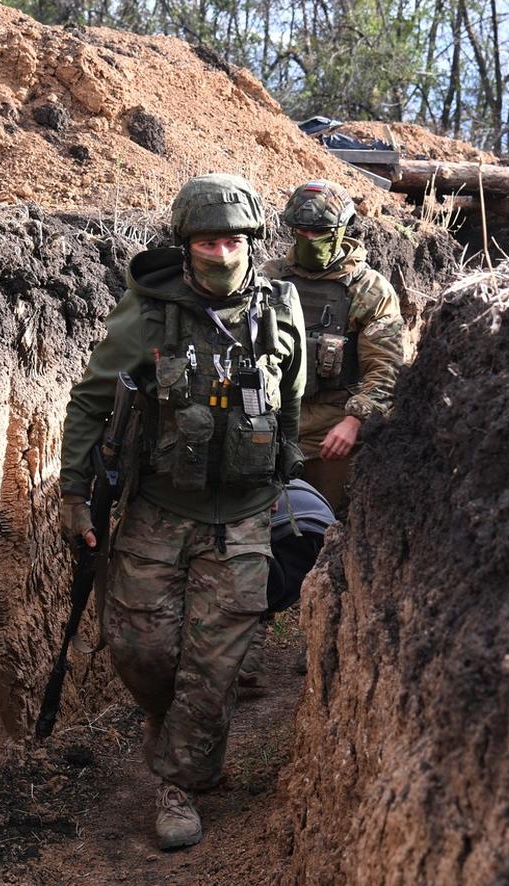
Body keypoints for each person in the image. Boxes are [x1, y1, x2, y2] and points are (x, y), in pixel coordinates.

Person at [58, 173, 305, 850]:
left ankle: (178, 786)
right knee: (142, 650)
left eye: (232, 239)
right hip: (158, 510)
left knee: (214, 663)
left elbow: (293, 402)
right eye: (206, 240)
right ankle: (174, 727)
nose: (221, 253)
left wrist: (291, 484)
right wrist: (74, 492)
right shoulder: (147, 312)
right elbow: (89, 401)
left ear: (251, 240)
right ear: (185, 243)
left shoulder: (283, 307)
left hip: (245, 516)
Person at [262, 179, 405, 515]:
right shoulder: (270, 279)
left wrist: (355, 420)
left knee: (326, 525)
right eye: (301, 231)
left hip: (333, 434)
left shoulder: (369, 289)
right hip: (272, 427)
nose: (309, 240)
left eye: (320, 232)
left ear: (342, 230)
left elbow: (387, 367)